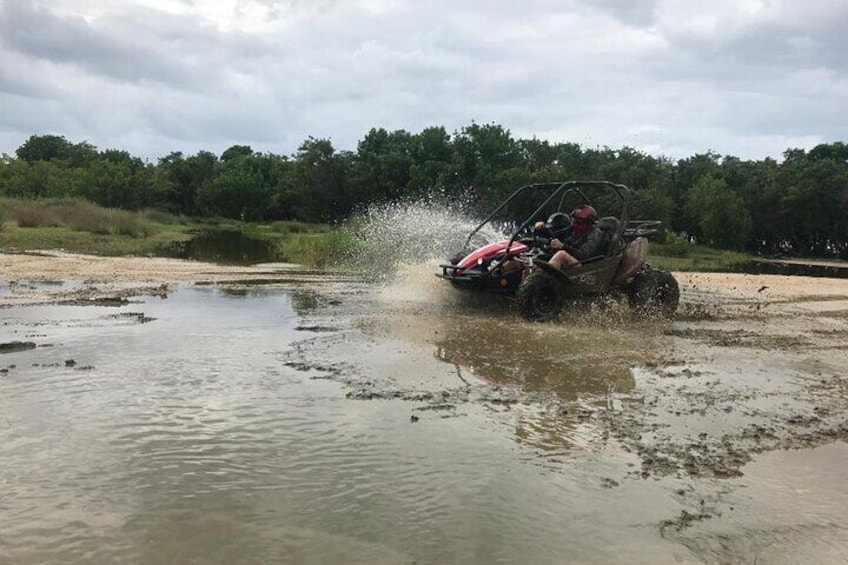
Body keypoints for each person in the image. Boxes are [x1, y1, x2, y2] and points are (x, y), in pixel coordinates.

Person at [547, 205, 605, 270]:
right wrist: (542, 230)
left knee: (561, 255)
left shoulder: (595, 234)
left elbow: (584, 255)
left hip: (586, 267)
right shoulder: (575, 231)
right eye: (573, 221)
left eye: (578, 222)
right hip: (573, 262)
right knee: (540, 259)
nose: (574, 224)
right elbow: (556, 234)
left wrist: (563, 246)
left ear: (588, 223)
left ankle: (544, 279)